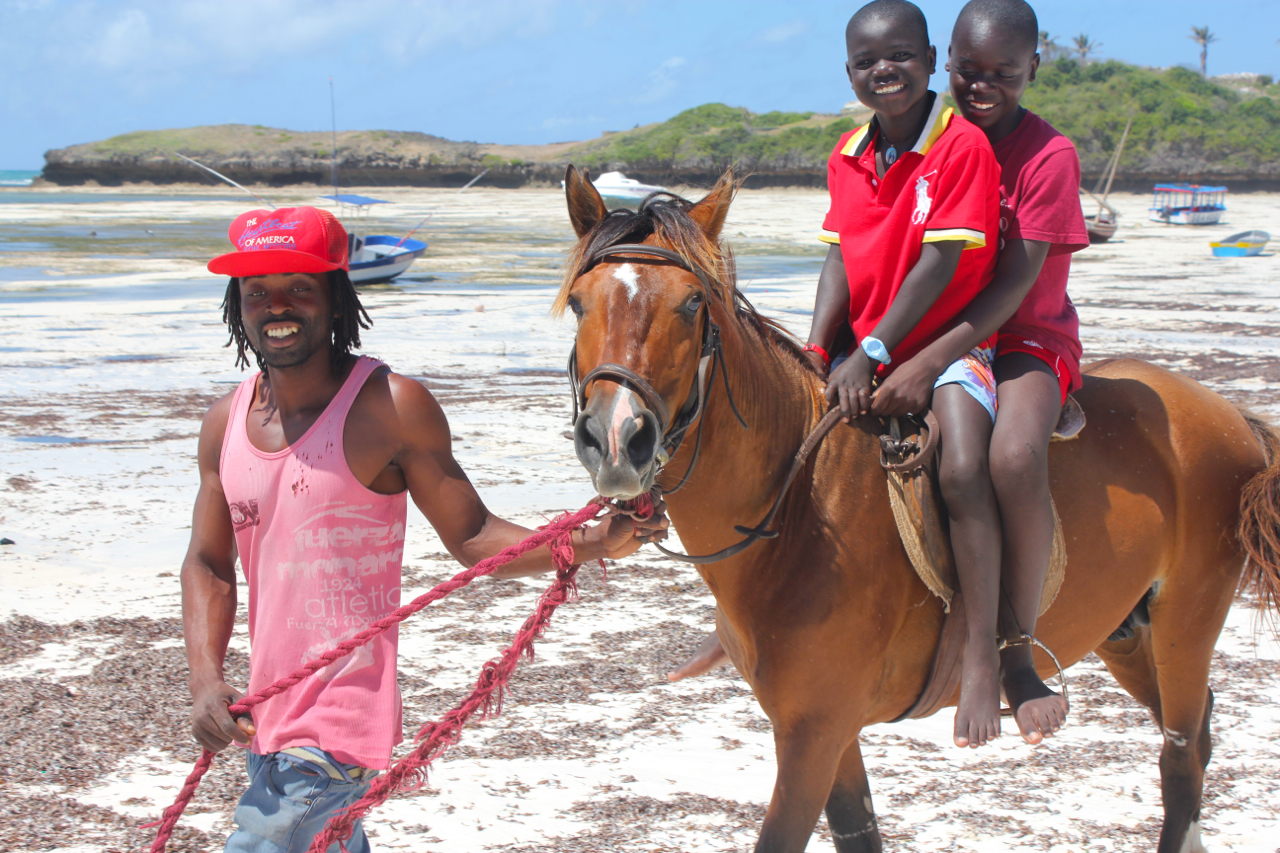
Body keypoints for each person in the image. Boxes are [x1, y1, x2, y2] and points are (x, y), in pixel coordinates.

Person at [181, 205, 667, 853]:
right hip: (267, 720)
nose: (277, 306)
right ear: (235, 304)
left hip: (336, 725)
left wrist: (595, 542)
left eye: (299, 287)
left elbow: (472, 534)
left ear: (335, 296)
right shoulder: (224, 422)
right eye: (257, 291)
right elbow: (208, 564)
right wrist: (205, 679)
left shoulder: (391, 407)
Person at [670, 0, 1007, 751]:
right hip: (863, 348)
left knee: (961, 466)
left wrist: (879, 348)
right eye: (866, 61)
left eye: (899, 57)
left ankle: (985, 651)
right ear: (848, 71)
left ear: (931, 62)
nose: (883, 70)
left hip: (946, 349)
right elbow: (838, 260)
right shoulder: (849, 150)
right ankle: (743, 618)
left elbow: (941, 263)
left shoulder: (962, 148)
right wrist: (820, 348)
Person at [873, 0, 1088, 746]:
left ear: (1035, 67)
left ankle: (1015, 655)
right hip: (941, 332)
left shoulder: (1048, 156)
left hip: (1025, 336)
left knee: (1014, 456)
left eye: (1004, 72)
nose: (983, 85)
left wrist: (928, 360)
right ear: (946, 62)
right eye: (969, 71)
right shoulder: (939, 140)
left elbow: (1013, 289)